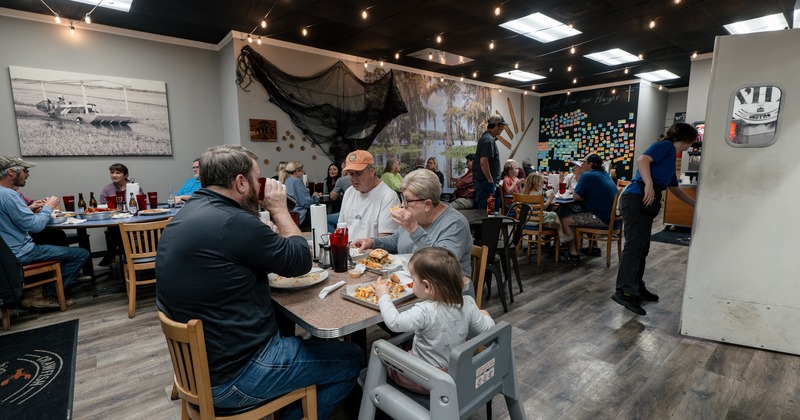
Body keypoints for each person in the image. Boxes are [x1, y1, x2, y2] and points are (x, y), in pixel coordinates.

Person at [155, 145, 361, 419]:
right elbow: (299, 262)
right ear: (240, 182)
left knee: (291, 327)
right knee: (352, 357)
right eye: (257, 178)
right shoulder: (232, 221)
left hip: (199, 367)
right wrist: (279, 209)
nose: (261, 185)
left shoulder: (186, 215)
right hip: (236, 376)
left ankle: (291, 396)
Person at [371, 247, 494, 394]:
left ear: (427, 286)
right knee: (411, 342)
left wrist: (383, 296)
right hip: (454, 375)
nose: (412, 283)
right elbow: (488, 332)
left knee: (383, 360)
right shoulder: (468, 303)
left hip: (424, 380)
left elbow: (394, 323)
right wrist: (485, 314)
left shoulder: (424, 311)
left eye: (412, 279)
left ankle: (367, 382)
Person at [613, 123, 698, 316]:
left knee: (642, 246)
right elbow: (642, 160)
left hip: (644, 201)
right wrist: (649, 184)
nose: (690, 146)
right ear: (686, 138)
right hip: (637, 197)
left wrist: (694, 204)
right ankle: (625, 291)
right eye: (691, 141)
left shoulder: (669, 157)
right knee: (635, 245)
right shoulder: (665, 146)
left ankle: (636, 286)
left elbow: (674, 188)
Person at [0, 156, 88, 308]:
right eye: (25, 171)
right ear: (11, 172)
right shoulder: (9, 195)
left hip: (6, 254)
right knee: (81, 254)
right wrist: (49, 206)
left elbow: (9, 219)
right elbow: (35, 226)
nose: (27, 174)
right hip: (21, 253)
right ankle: (47, 293)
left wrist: (29, 209)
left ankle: (37, 287)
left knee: (55, 239)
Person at [352, 169, 473, 279]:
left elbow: (443, 264)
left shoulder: (455, 224)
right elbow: (397, 240)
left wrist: (414, 229)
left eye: (408, 200)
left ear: (427, 204)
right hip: (413, 284)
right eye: (402, 198)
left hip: (446, 294)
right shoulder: (417, 216)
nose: (403, 205)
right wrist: (373, 242)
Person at [557, 154, 618, 265]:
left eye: (584, 163)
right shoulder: (605, 175)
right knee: (577, 211)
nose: (582, 165)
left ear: (590, 165)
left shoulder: (587, 176)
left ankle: (573, 254)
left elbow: (575, 197)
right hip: (613, 219)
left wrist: (584, 196)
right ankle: (594, 247)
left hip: (601, 219)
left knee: (565, 220)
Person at [338, 150, 399, 240]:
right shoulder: (349, 192)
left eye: (359, 173)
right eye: (351, 174)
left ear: (372, 171)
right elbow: (341, 228)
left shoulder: (389, 197)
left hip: (372, 253)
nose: (354, 178)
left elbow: (385, 241)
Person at [98, 163, 144, 267]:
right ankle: (125, 257)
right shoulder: (107, 189)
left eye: (118, 173)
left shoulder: (134, 187)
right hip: (115, 221)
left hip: (134, 219)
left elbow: (141, 202)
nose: (114, 175)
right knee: (116, 229)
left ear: (126, 175)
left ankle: (113, 254)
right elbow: (102, 206)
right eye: (112, 172)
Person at [521, 172, 568, 240]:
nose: (543, 183)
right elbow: (543, 208)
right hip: (536, 219)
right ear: (536, 183)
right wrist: (549, 199)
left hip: (527, 219)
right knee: (554, 214)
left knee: (549, 220)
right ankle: (562, 236)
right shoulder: (537, 195)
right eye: (542, 182)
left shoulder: (525, 192)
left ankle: (547, 235)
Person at [473, 114, 507, 212]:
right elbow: (483, 162)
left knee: (488, 211)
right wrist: (490, 180)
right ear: (496, 125)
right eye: (502, 126)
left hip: (485, 182)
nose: (503, 129)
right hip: (485, 183)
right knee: (485, 212)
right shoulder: (488, 140)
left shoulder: (488, 138)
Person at [282, 160, 320, 229]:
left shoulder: (287, 181)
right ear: (297, 171)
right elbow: (306, 203)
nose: (302, 173)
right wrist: (315, 197)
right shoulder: (297, 181)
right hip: (301, 215)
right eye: (301, 171)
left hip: (292, 214)